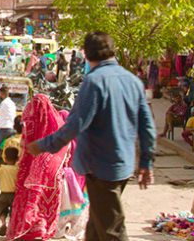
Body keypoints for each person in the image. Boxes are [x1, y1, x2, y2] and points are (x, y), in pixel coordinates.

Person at [28, 32, 155, 241]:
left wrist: (44, 145)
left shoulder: (94, 82)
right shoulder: (133, 81)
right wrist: (146, 162)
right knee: (97, 225)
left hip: (101, 168)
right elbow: (147, 126)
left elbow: (76, 124)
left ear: (86, 54)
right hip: (123, 165)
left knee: (112, 229)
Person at [7, 94, 70, 240]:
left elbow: (25, 145)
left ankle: (29, 229)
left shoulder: (32, 120)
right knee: (47, 201)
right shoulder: (57, 124)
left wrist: (22, 165)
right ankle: (43, 229)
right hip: (54, 170)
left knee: (32, 199)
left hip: (35, 168)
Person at [0, 146, 20, 237]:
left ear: (5, 157)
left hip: (3, 194)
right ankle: (12, 228)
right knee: (13, 213)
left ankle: (3, 223)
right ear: (17, 158)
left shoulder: (2, 168)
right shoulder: (18, 169)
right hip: (14, 195)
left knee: (2, 210)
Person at [0, 84, 17, 169]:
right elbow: (8, 116)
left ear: (2, 93)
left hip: (4, 128)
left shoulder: (4, 103)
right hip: (11, 127)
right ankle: (11, 163)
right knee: (10, 147)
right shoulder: (12, 103)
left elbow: (6, 116)